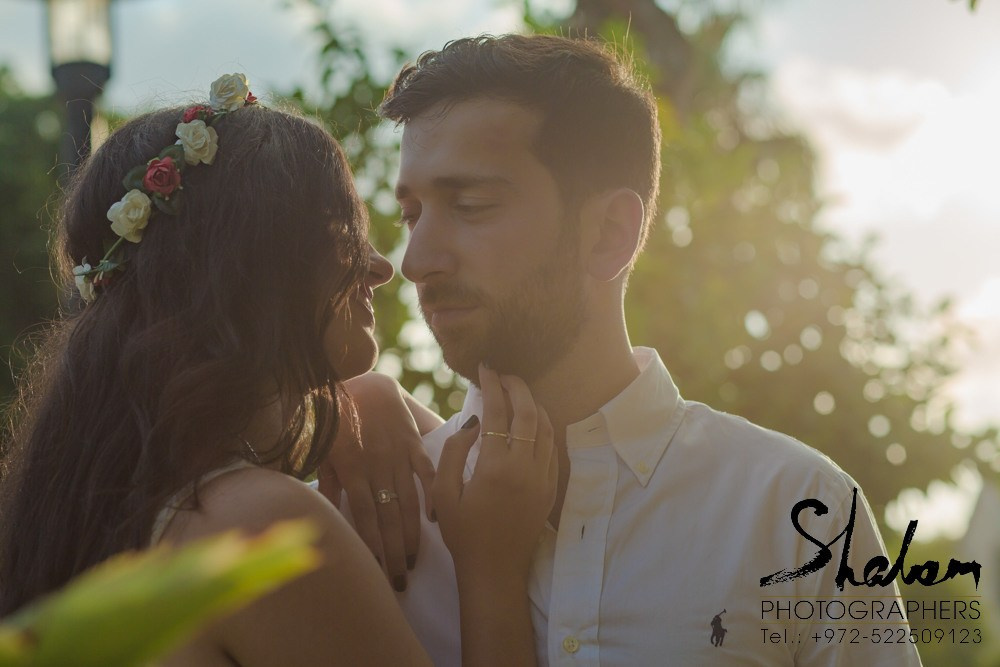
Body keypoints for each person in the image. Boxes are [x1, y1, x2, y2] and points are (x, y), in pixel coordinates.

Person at [332, 35, 923, 665]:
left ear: (610, 233)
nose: (416, 260)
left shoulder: (801, 515)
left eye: (471, 205)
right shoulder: (361, 521)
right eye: (412, 214)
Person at [0, 74, 556, 666]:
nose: (382, 267)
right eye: (346, 234)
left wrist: (361, 396)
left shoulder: (102, 515)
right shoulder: (253, 527)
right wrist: (492, 572)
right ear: (252, 266)